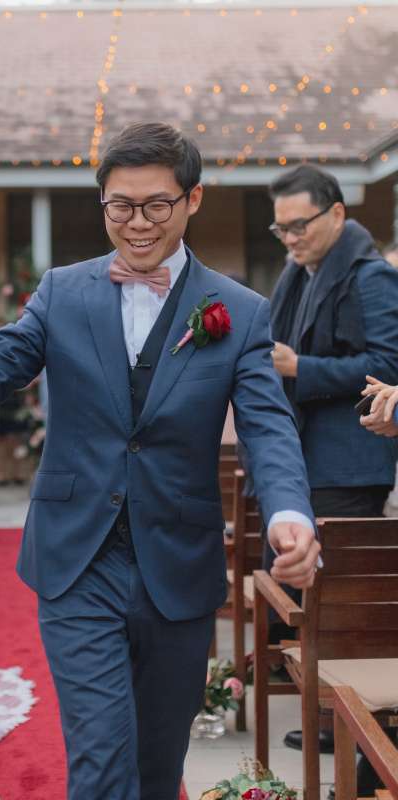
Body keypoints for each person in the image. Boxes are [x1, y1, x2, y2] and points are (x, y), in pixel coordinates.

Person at [0, 122, 320, 800]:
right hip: (78, 560)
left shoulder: (240, 313)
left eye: (156, 205)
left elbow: (268, 427)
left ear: (192, 201)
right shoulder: (63, 292)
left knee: (158, 769)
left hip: (178, 563)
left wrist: (290, 511)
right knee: (102, 762)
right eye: (120, 206)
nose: (136, 224)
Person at [266, 165, 398, 758]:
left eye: (300, 225)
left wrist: (301, 370)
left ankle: (350, 734)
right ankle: (334, 724)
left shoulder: (370, 277)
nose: (290, 238)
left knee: (343, 610)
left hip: (351, 462)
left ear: (337, 215)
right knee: (320, 604)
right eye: (281, 228)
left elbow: (389, 371)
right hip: (313, 459)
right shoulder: (303, 273)